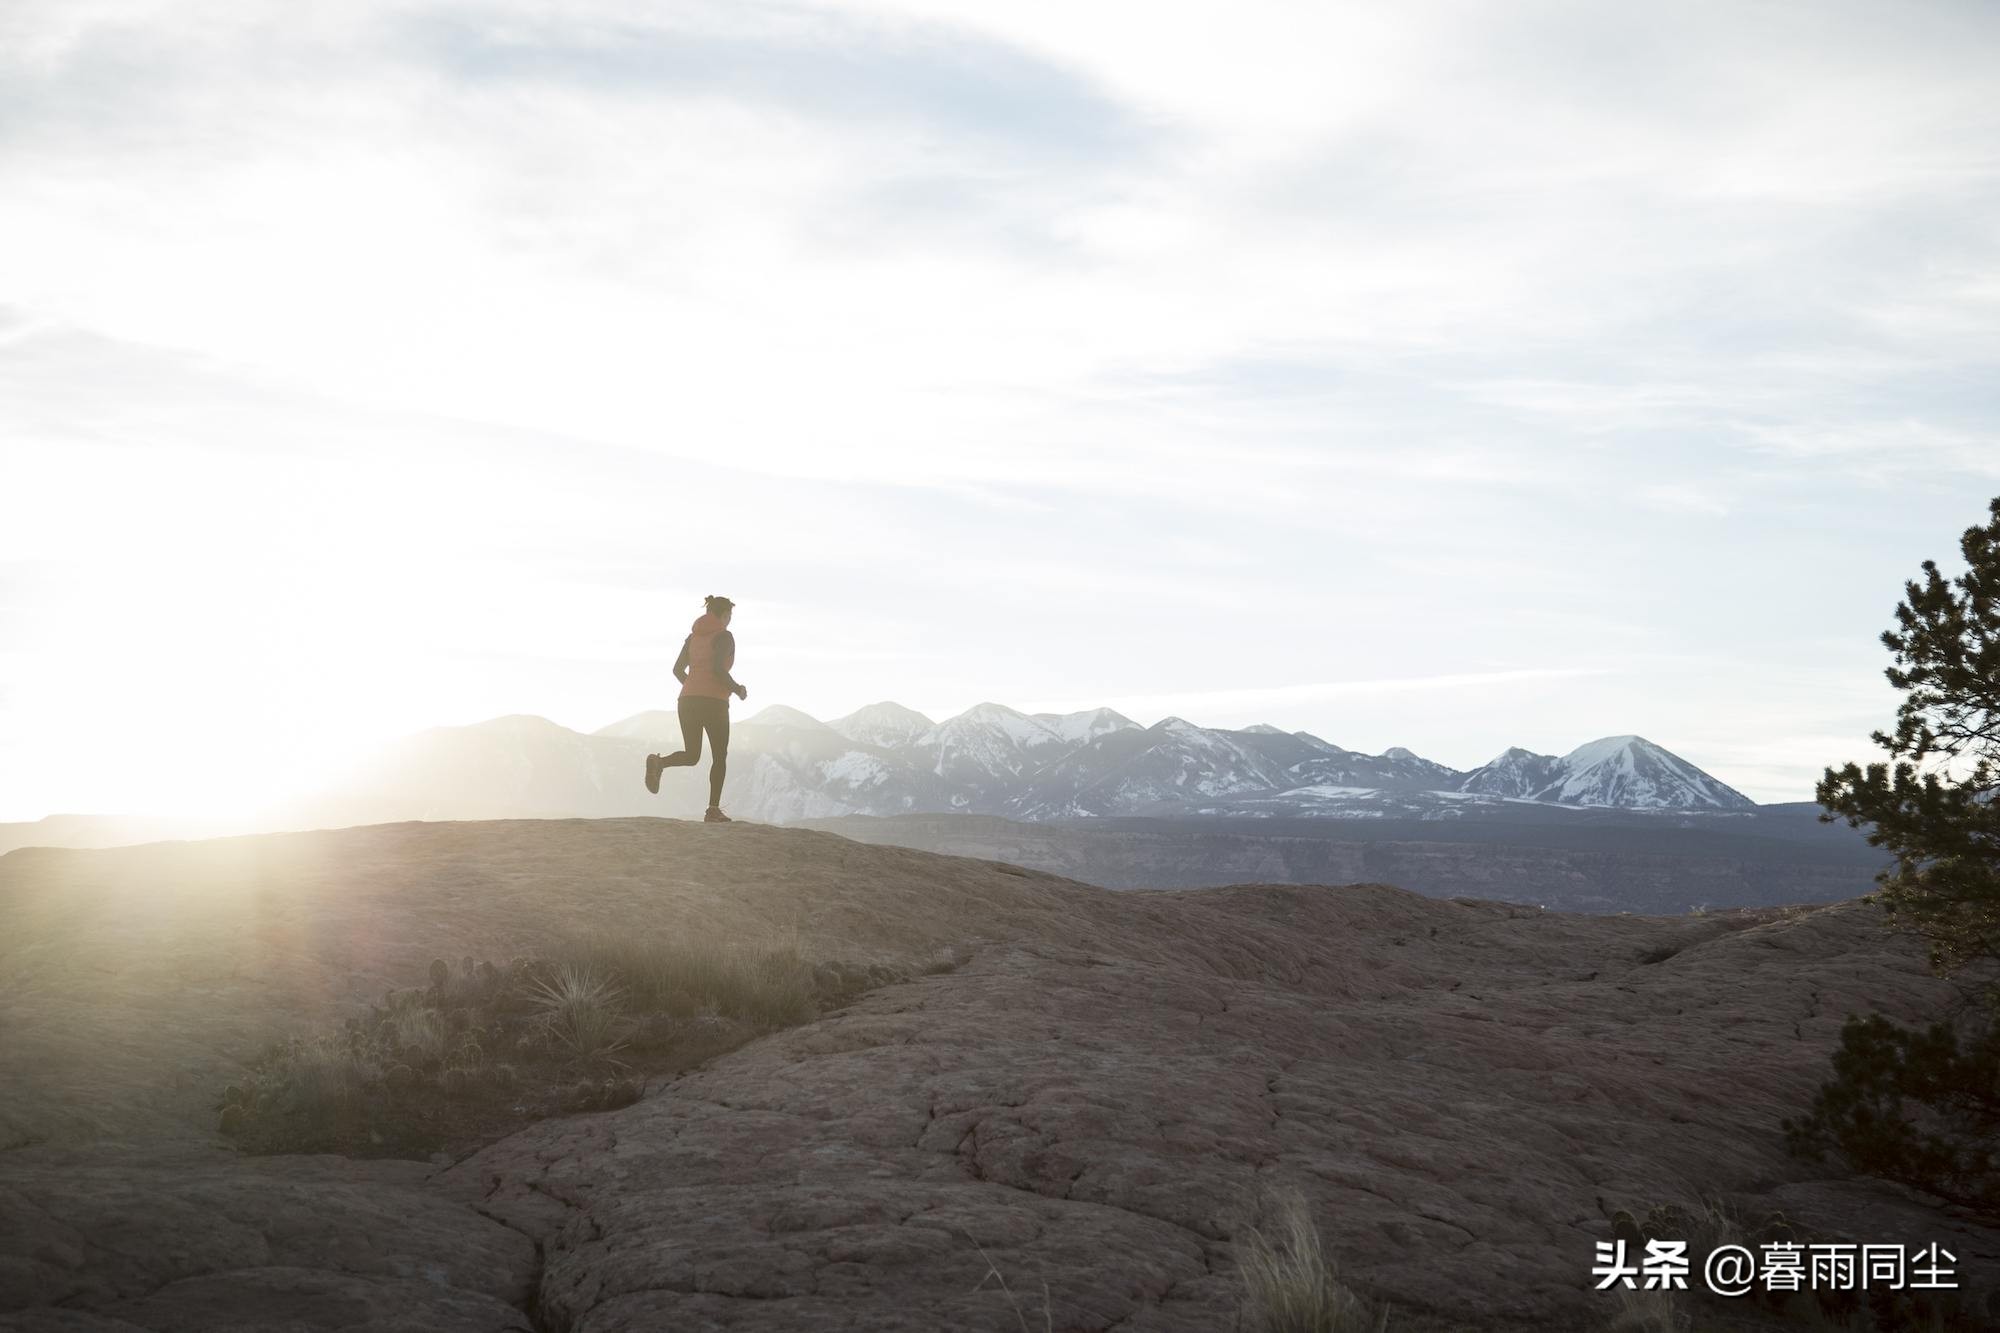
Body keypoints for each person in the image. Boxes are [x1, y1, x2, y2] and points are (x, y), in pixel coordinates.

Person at [645, 595, 748, 822]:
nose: (729, 620)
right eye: (729, 616)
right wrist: (737, 689)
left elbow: (677, 669)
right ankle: (713, 810)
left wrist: (693, 687)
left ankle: (660, 762)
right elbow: (718, 669)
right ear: (724, 615)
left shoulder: (693, 637)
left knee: (692, 755)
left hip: (687, 700)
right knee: (719, 757)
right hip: (714, 703)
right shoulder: (724, 636)